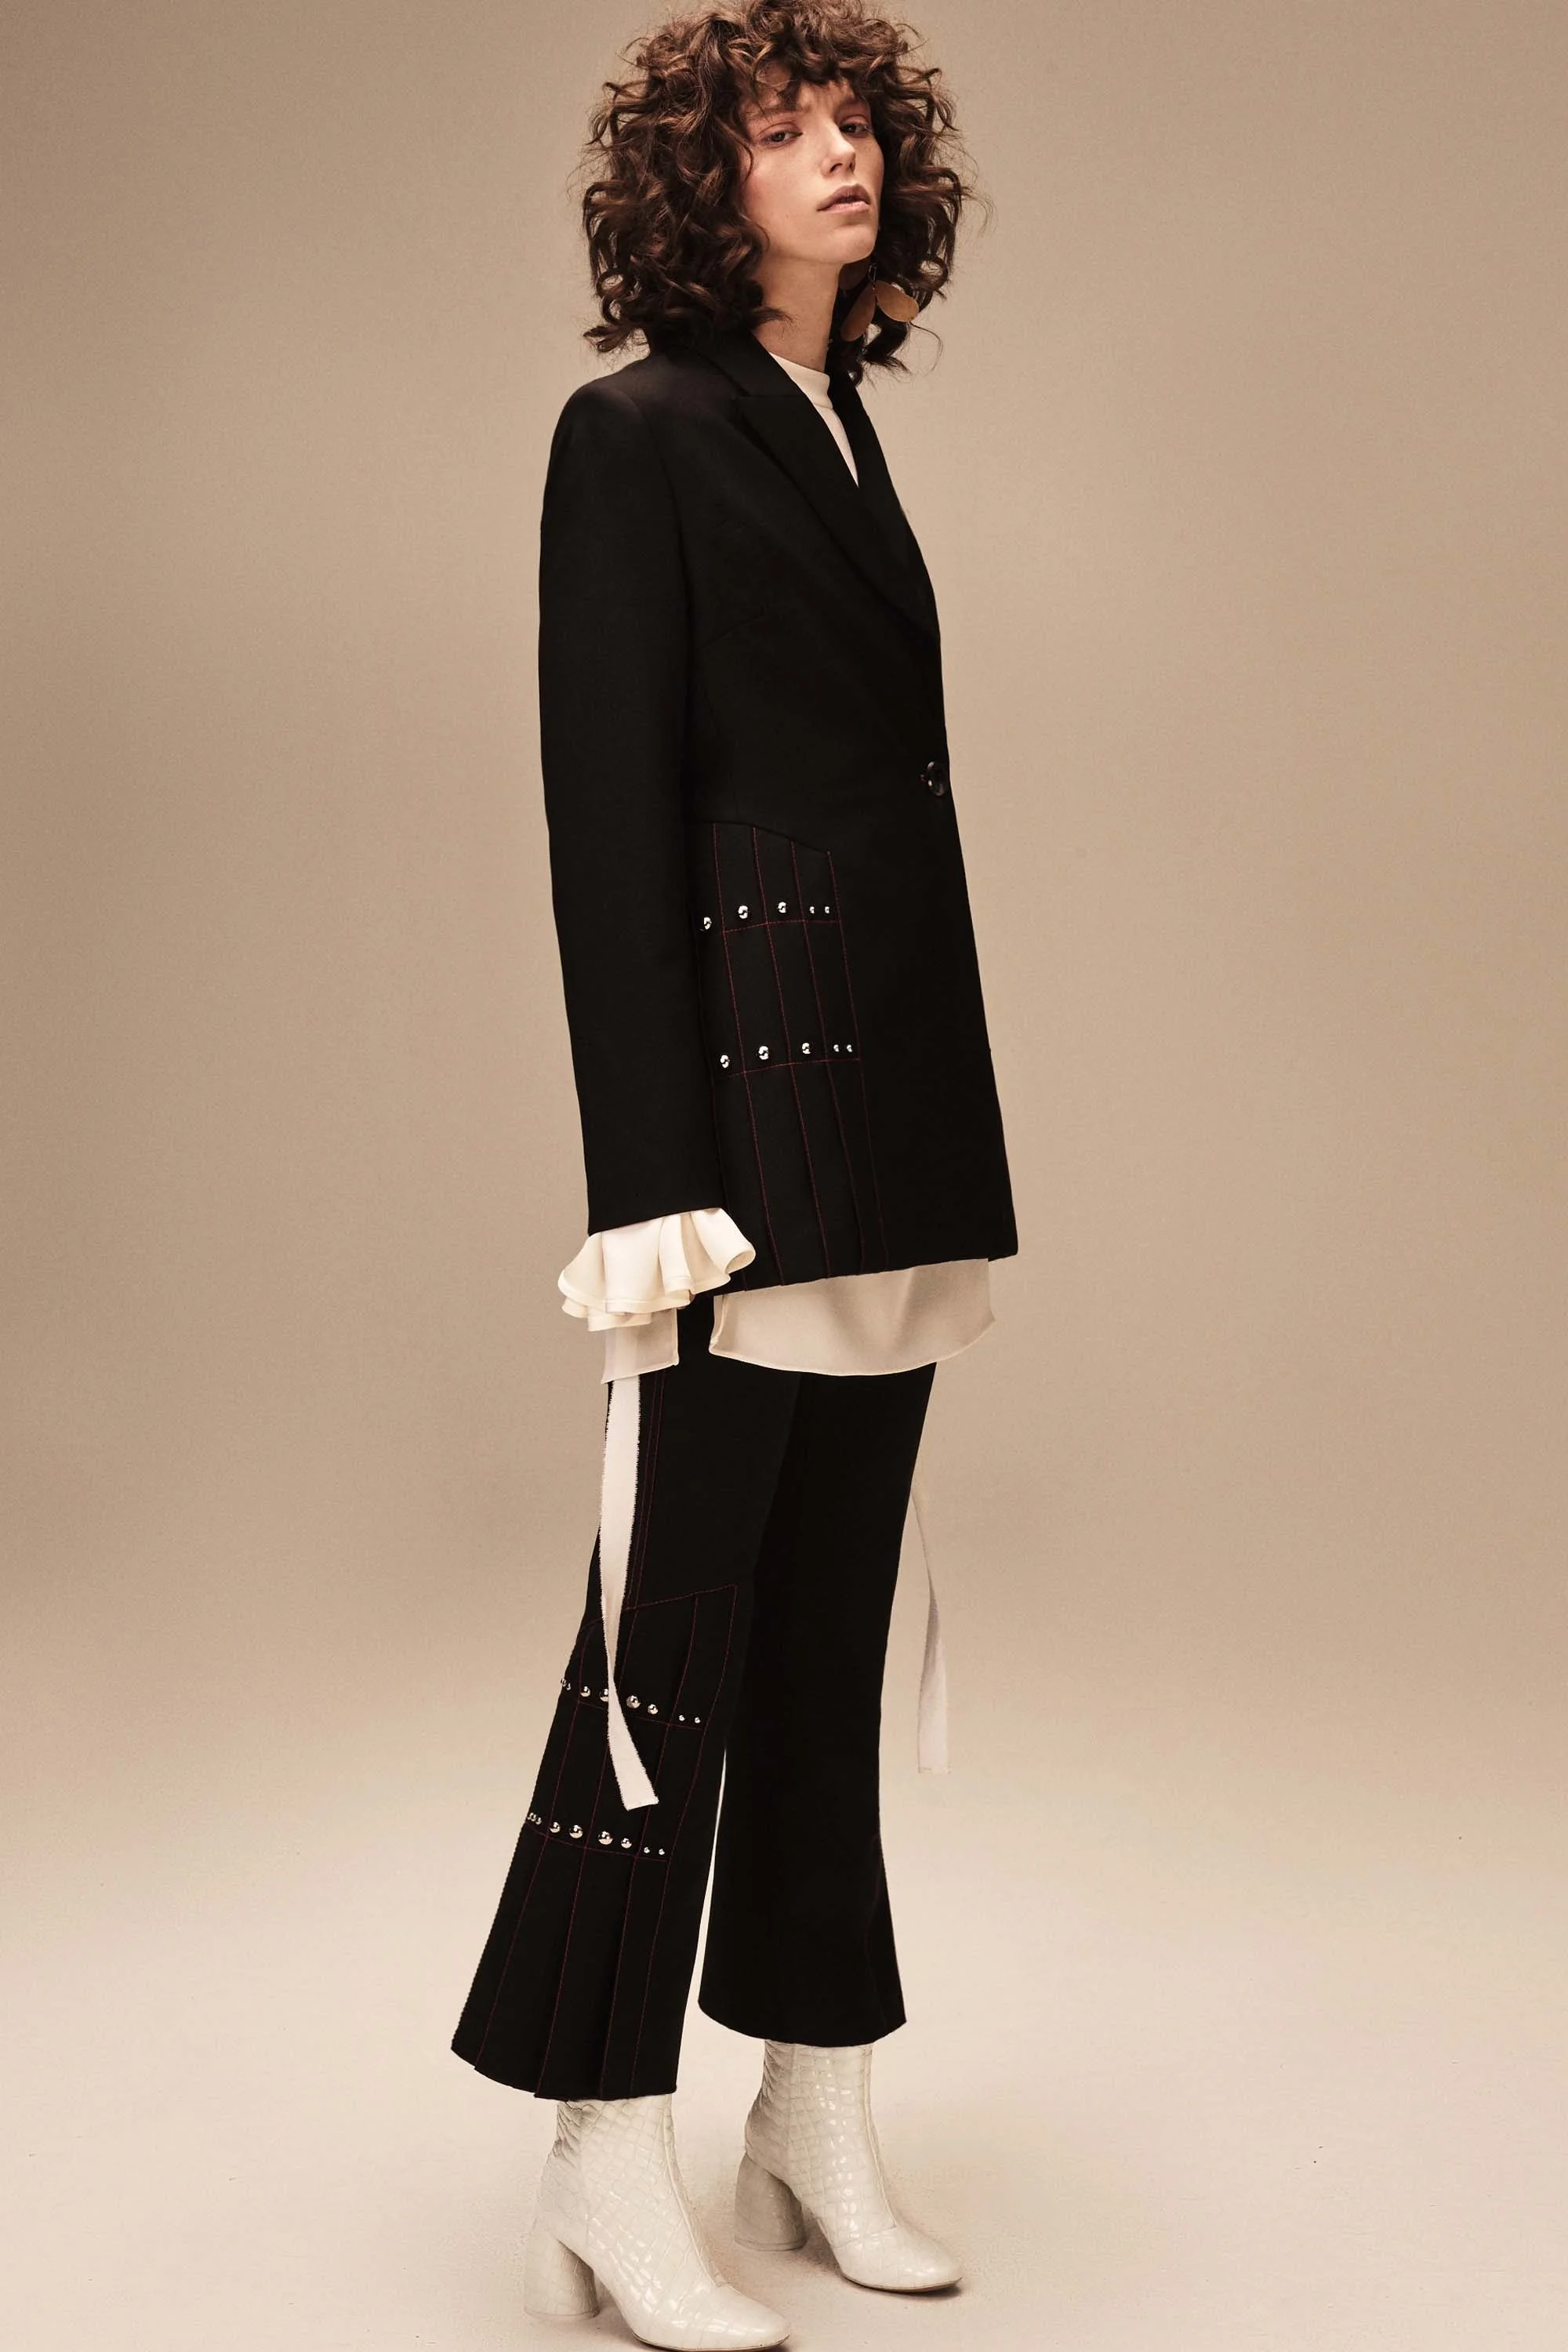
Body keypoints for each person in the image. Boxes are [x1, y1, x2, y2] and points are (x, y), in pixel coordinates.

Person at [450, 6, 1018, 2345]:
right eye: (785, 130)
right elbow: (610, 827)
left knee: (825, 1640)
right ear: (707, 181)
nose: (840, 154)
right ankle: (602, 2145)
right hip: (744, 1141)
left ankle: (812, 2097)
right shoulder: (637, 434)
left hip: (892, 1110)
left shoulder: (837, 418)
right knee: (664, 1652)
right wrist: (650, 1188)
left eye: (858, 119)